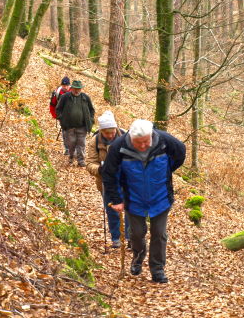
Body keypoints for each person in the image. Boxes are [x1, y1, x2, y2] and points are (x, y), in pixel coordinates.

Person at [102, 119, 186, 284]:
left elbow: (180, 154)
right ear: (130, 137)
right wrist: (116, 199)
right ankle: (138, 258)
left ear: (151, 135)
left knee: (159, 234)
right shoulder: (119, 148)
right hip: (134, 199)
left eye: (146, 142)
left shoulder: (166, 141)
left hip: (160, 197)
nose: (142, 146)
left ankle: (157, 269)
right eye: (138, 142)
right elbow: (108, 174)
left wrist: (167, 172)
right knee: (137, 233)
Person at [86, 111, 129, 248]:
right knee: (111, 210)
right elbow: (90, 163)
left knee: (130, 209)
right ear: (101, 131)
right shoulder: (95, 141)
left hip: (127, 181)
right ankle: (116, 238)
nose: (110, 136)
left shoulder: (126, 136)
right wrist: (100, 170)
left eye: (112, 132)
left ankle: (130, 238)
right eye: (107, 133)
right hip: (106, 183)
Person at [55, 80, 95, 167]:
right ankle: (72, 155)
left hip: (82, 126)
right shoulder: (65, 97)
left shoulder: (85, 98)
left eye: (79, 89)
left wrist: (91, 120)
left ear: (81, 89)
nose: (77, 91)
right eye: (75, 88)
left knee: (81, 144)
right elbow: (58, 109)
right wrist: (62, 118)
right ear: (72, 88)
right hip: (69, 127)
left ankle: (81, 160)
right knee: (71, 143)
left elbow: (91, 110)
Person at [49, 76, 71, 155]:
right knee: (65, 132)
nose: (66, 87)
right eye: (64, 85)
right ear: (61, 85)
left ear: (69, 85)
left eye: (67, 85)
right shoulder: (57, 93)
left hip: (73, 116)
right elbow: (52, 105)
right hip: (62, 116)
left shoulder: (74, 92)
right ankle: (67, 148)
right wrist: (56, 116)